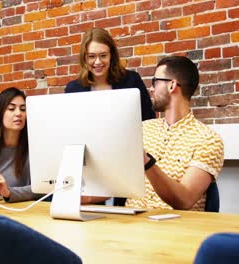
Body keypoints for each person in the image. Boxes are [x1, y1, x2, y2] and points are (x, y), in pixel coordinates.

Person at [126, 56, 224, 211]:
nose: (151, 88)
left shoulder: (208, 140)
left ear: (172, 85)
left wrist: (146, 162)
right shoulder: (142, 129)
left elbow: (184, 200)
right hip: (127, 226)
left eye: (155, 82)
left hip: (173, 230)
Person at [65, 27, 155, 121]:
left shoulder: (132, 81)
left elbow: (148, 119)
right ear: (84, 58)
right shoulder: (73, 89)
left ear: (111, 55)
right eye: (91, 56)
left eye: (103, 55)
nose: (98, 62)